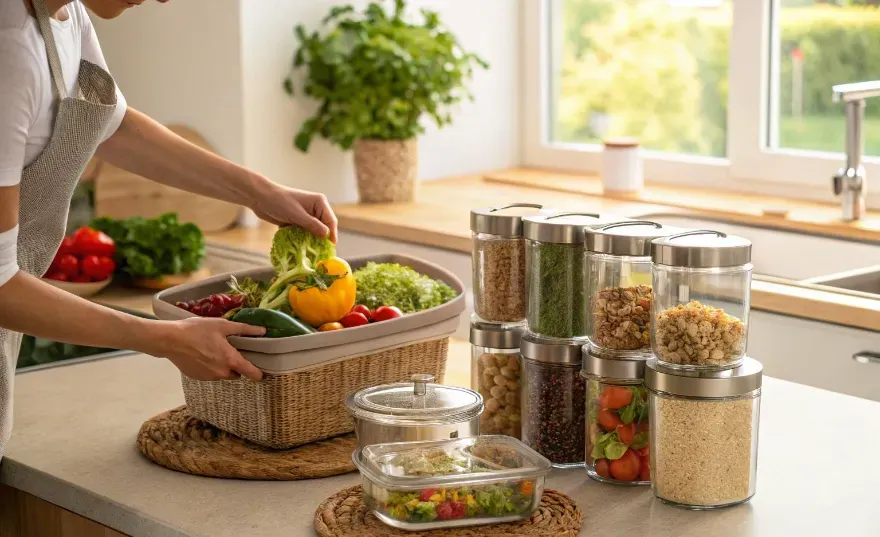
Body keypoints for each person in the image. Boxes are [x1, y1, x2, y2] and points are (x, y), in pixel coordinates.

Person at [0, 0, 338, 457]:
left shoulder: (65, 14)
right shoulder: (9, 50)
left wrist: (260, 192)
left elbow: (111, 126)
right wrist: (163, 339)